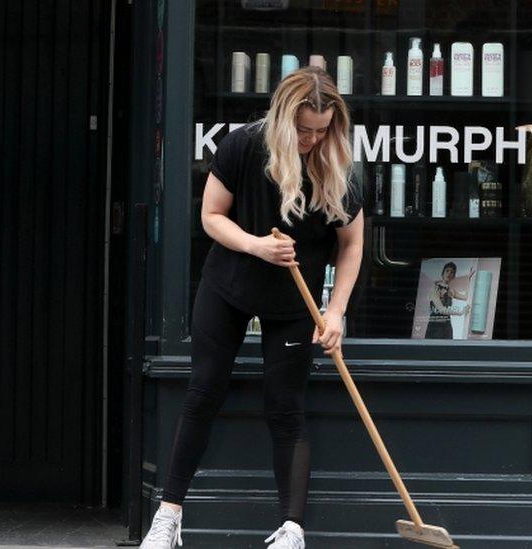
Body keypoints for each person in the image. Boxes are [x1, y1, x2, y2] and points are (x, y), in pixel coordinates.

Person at [139, 67, 364, 549]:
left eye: (322, 130)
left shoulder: (337, 163)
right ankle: (169, 516)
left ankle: (292, 529)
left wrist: (336, 311)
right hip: (229, 286)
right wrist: (256, 246)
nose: (311, 138)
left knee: (286, 408)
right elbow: (211, 216)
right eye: (304, 129)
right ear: (284, 117)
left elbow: (351, 246)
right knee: (203, 390)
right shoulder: (244, 145)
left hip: (292, 304)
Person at [424, 262, 474, 339]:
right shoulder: (435, 289)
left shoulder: (451, 291)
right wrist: (461, 312)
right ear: (443, 273)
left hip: (447, 325)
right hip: (435, 324)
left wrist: (470, 279)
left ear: (453, 276)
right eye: (447, 271)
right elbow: (441, 310)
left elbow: (466, 297)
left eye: (452, 272)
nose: (449, 273)